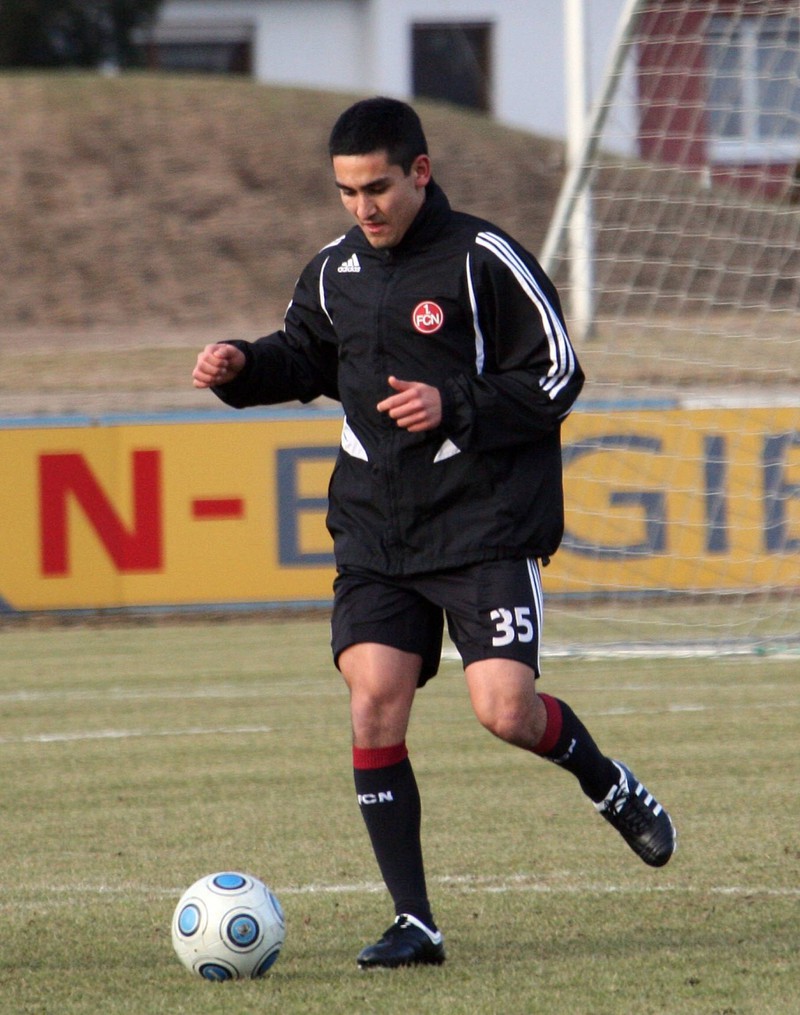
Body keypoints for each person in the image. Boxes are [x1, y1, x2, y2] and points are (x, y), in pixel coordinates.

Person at [192, 96, 676, 970]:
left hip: (483, 523)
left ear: (420, 170)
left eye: (377, 187)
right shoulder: (335, 270)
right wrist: (241, 366)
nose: (362, 208)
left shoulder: (484, 258)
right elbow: (303, 355)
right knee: (373, 696)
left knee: (505, 710)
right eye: (346, 192)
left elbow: (559, 376)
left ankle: (606, 780)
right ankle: (416, 923)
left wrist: (452, 403)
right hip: (378, 530)